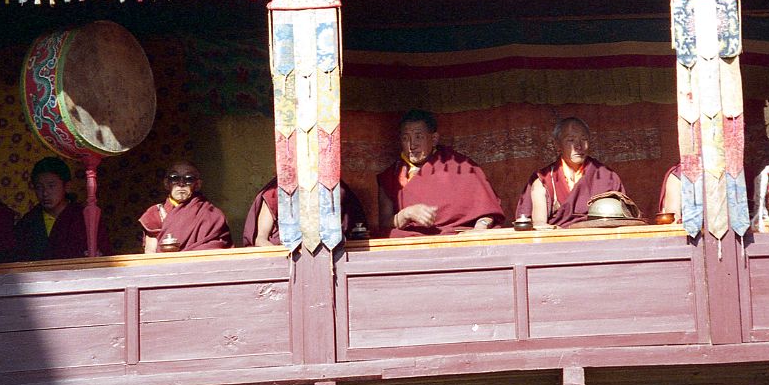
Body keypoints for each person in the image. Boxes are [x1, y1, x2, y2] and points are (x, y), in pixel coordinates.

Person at [376, 109, 504, 238]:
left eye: (418, 137)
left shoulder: (462, 167)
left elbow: (488, 212)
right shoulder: (391, 176)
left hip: (456, 238)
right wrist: (406, 214)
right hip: (413, 241)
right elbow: (385, 224)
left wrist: (479, 229)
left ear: (434, 139)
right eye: (405, 138)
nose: (411, 145)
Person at [515, 117, 627, 228]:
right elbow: (539, 224)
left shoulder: (607, 177)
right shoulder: (544, 180)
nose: (579, 146)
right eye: (571, 140)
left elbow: (622, 218)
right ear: (557, 145)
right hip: (559, 241)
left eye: (584, 139)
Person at [14, 157, 111, 260]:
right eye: (39, 187)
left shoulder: (84, 218)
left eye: (51, 186)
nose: (45, 193)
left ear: (67, 186)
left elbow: (105, 255)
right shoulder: (28, 222)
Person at [243, 178, 368, 246]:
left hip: (331, 258)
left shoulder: (336, 188)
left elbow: (356, 234)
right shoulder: (277, 190)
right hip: (286, 258)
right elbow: (260, 239)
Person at [139, 161, 231, 253]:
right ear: (166, 183)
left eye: (189, 179)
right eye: (175, 178)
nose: (181, 183)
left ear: (197, 185)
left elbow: (219, 247)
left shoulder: (212, 215)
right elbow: (150, 254)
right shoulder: (155, 213)